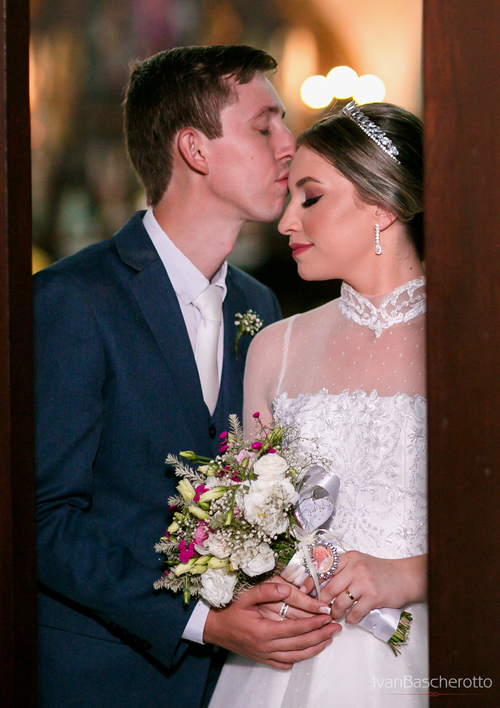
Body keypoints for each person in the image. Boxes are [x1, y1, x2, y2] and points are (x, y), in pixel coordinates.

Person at [35, 45, 341, 708]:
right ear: (195, 150)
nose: (289, 145)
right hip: (105, 678)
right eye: (264, 126)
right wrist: (201, 620)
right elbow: (44, 520)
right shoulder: (74, 299)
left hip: (235, 679)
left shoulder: (258, 306)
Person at [210, 100, 429, 707]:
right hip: (285, 658)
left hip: (425, 649)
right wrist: (254, 574)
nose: (286, 221)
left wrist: (407, 574)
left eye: (310, 198)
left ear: (382, 205)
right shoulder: (274, 349)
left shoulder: (471, 344)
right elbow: (244, 513)